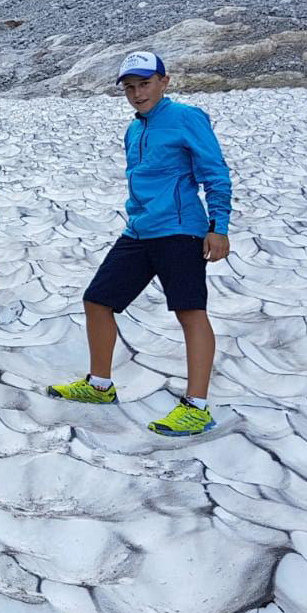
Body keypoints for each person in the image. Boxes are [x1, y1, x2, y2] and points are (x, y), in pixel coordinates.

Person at [46, 52, 232, 437]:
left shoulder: (186, 118)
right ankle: (100, 385)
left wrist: (219, 226)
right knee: (97, 301)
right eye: (129, 87)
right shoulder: (135, 128)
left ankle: (196, 407)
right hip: (140, 230)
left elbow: (215, 173)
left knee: (190, 312)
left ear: (164, 81)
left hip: (180, 229)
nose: (137, 93)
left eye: (144, 84)